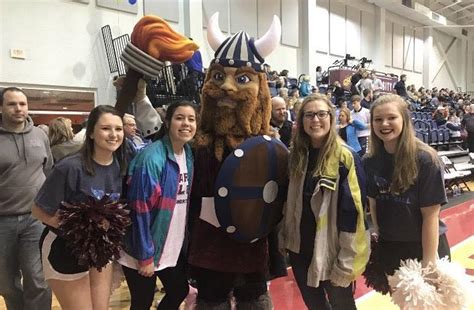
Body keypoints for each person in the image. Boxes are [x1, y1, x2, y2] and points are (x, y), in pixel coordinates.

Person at [280, 94, 370, 310]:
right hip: (300, 250)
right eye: (309, 115)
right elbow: (289, 203)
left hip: (334, 252)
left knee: (342, 306)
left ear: (331, 117)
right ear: (301, 121)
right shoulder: (296, 155)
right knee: (315, 306)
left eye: (321, 114)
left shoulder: (345, 157)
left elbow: (354, 215)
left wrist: (346, 261)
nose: (315, 120)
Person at [32, 105, 126, 310]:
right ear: (91, 132)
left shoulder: (117, 165)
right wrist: (80, 229)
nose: (113, 134)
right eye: (106, 129)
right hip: (63, 249)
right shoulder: (69, 167)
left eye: (118, 129)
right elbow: (38, 210)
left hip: (99, 250)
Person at [364, 94, 451, 292]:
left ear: (405, 119)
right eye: (378, 119)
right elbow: (374, 203)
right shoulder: (369, 161)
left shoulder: (426, 159)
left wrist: (429, 265)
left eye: (391, 117)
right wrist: (380, 239)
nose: (384, 123)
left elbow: (431, 216)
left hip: (425, 246)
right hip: (392, 246)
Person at [118, 101, 197, 310]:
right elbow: (139, 210)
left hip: (168, 243)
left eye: (191, 119)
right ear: (168, 121)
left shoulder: (187, 153)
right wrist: (144, 256)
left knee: (179, 290)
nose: (186, 124)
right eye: (180, 118)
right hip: (143, 245)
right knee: (142, 302)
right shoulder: (151, 158)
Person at [0, 87, 53, 310]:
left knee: (38, 279)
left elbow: (49, 171)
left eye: (22, 103)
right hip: (3, 222)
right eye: (12, 104)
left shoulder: (40, 135)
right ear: (1, 108)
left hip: (35, 219)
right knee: (6, 282)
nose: (19, 108)